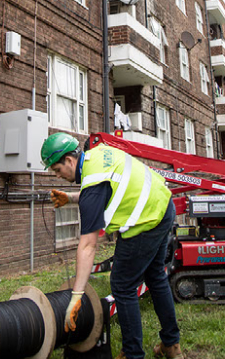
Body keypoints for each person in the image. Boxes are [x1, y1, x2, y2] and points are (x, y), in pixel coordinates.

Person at [42, 132, 183, 359]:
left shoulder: (92, 183)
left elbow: (88, 245)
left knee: (122, 285)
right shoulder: (98, 155)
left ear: (69, 161)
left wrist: (77, 294)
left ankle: (132, 353)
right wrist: (71, 198)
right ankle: (172, 345)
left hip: (145, 222)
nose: (59, 176)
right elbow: (104, 187)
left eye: (57, 170)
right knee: (155, 275)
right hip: (163, 206)